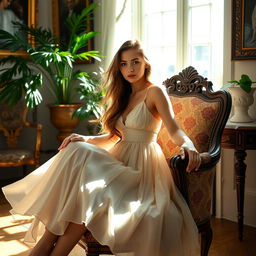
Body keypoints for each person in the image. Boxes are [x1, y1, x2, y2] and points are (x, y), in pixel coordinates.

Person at [2, 40, 201, 256]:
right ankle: (46, 246)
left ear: (146, 63)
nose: (130, 69)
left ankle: (44, 249)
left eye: (135, 62)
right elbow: (114, 137)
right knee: (77, 151)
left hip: (141, 173)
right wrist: (85, 138)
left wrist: (188, 144)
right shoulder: (123, 95)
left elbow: (174, 129)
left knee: (89, 194)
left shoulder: (155, 92)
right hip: (118, 162)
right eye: (124, 64)